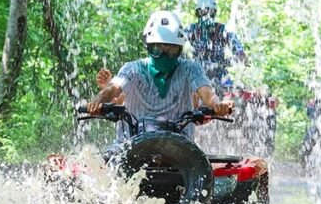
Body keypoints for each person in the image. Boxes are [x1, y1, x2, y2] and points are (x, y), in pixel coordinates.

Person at [88, 10, 232, 140]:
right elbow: (113, 88)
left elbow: (206, 93)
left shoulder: (190, 68)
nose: (164, 55)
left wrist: (217, 105)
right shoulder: (133, 69)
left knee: (199, 161)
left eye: (171, 50)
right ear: (148, 47)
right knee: (110, 160)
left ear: (179, 49)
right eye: (157, 49)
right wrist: (97, 100)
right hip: (132, 144)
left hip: (179, 147)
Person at [184, 0, 247, 87]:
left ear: (214, 13)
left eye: (210, 12)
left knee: (232, 91)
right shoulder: (191, 30)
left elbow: (239, 50)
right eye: (203, 12)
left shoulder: (223, 31)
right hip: (196, 76)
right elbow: (176, 47)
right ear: (198, 13)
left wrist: (239, 56)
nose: (206, 15)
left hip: (220, 76)